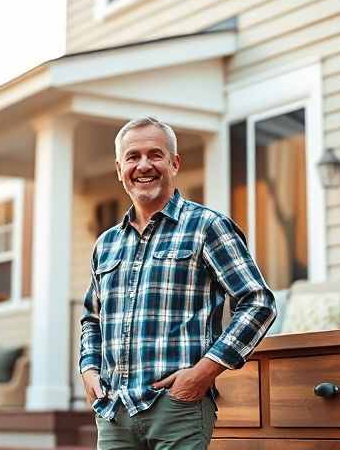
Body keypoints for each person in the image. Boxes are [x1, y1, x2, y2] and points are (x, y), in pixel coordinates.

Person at [79, 116, 276, 449]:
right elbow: (92, 319)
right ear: (119, 168)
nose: (144, 165)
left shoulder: (207, 226)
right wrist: (89, 370)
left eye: (155, 155)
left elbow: (258, 302)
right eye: (133, 156)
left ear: (174, 163)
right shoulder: (106, 244)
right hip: (114, 410)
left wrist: (202, 373)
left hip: (177, 407)